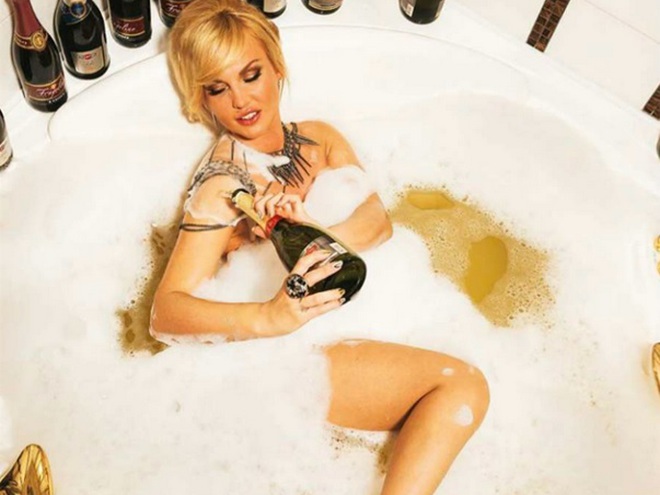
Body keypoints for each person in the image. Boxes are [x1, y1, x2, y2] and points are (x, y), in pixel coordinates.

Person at [151, 1, 489, 493]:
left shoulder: (320, 138)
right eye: (218, 89)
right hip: (287, 351)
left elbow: (378, 223)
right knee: (462, 386)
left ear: (277, 66)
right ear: (202, 100)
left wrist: (315, 232)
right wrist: (269, 317)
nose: (241, 100)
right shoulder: (224, 185)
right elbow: (165, 315)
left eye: (250, 75)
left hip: (360, 313)